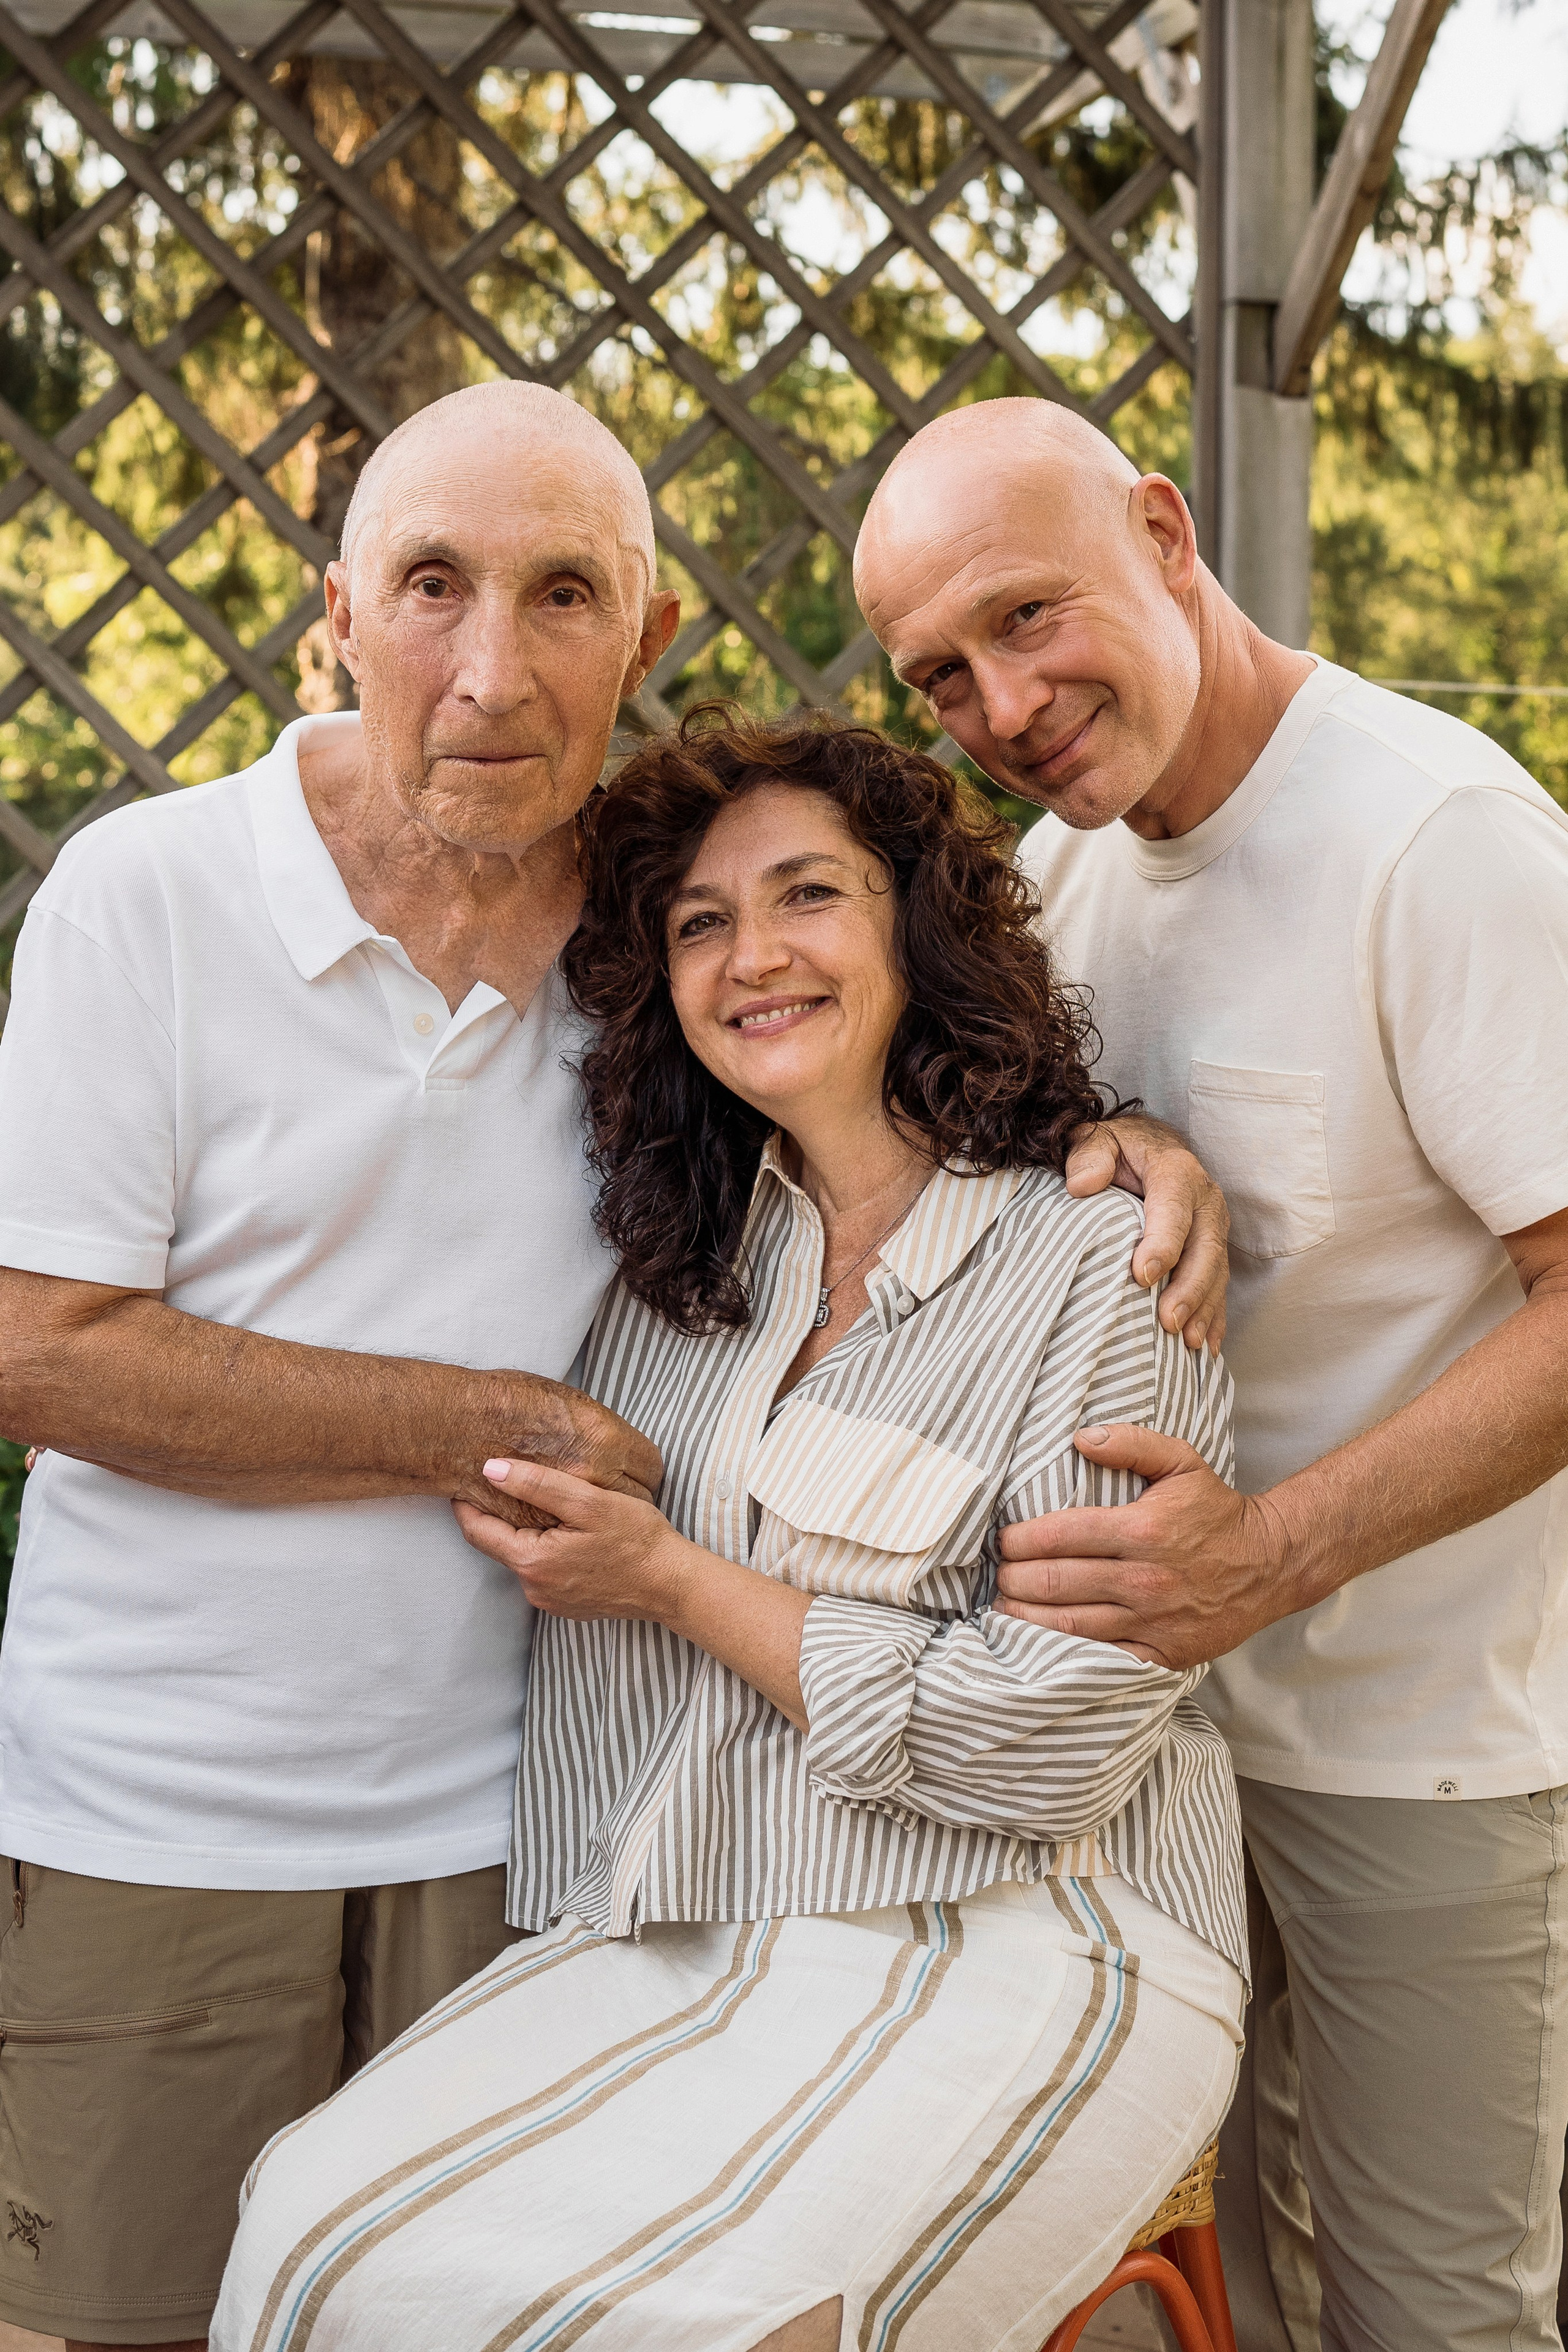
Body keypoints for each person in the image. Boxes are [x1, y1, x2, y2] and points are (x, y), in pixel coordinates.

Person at [0, 383, 1223, 2352]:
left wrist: (1120, 1145)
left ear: (643, 641)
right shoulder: (149, 897)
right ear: (339, 615)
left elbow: (897, 1128)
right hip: (168, 1802)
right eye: (429, 589)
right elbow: (34, 1349)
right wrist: (500, 1430)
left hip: (541, 1831)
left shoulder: (651, 959)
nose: (489, 669)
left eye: (563, 595)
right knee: (162, 2313)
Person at [210, 710, 1246, 2352]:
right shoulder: (665, 1287)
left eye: (808, 897)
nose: (754, 955)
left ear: (914, 925)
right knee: (315, 2223)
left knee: (730, 2315)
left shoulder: (1092, 1263)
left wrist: (677, 1583)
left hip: (1042, 1936)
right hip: (687, 1933)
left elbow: (1051, 1745)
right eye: (702, 924)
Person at [854, 397, 1568, 2352]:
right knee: (1217, 2300)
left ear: (1164, 534)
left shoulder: (1439, 839)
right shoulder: (1075, 883)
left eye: (1027, 616)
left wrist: (1273, 1558)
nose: (1000, 703)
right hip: (1147, 1766)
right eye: (941, 674)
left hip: (1422, 1751)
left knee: (1439, 2313)